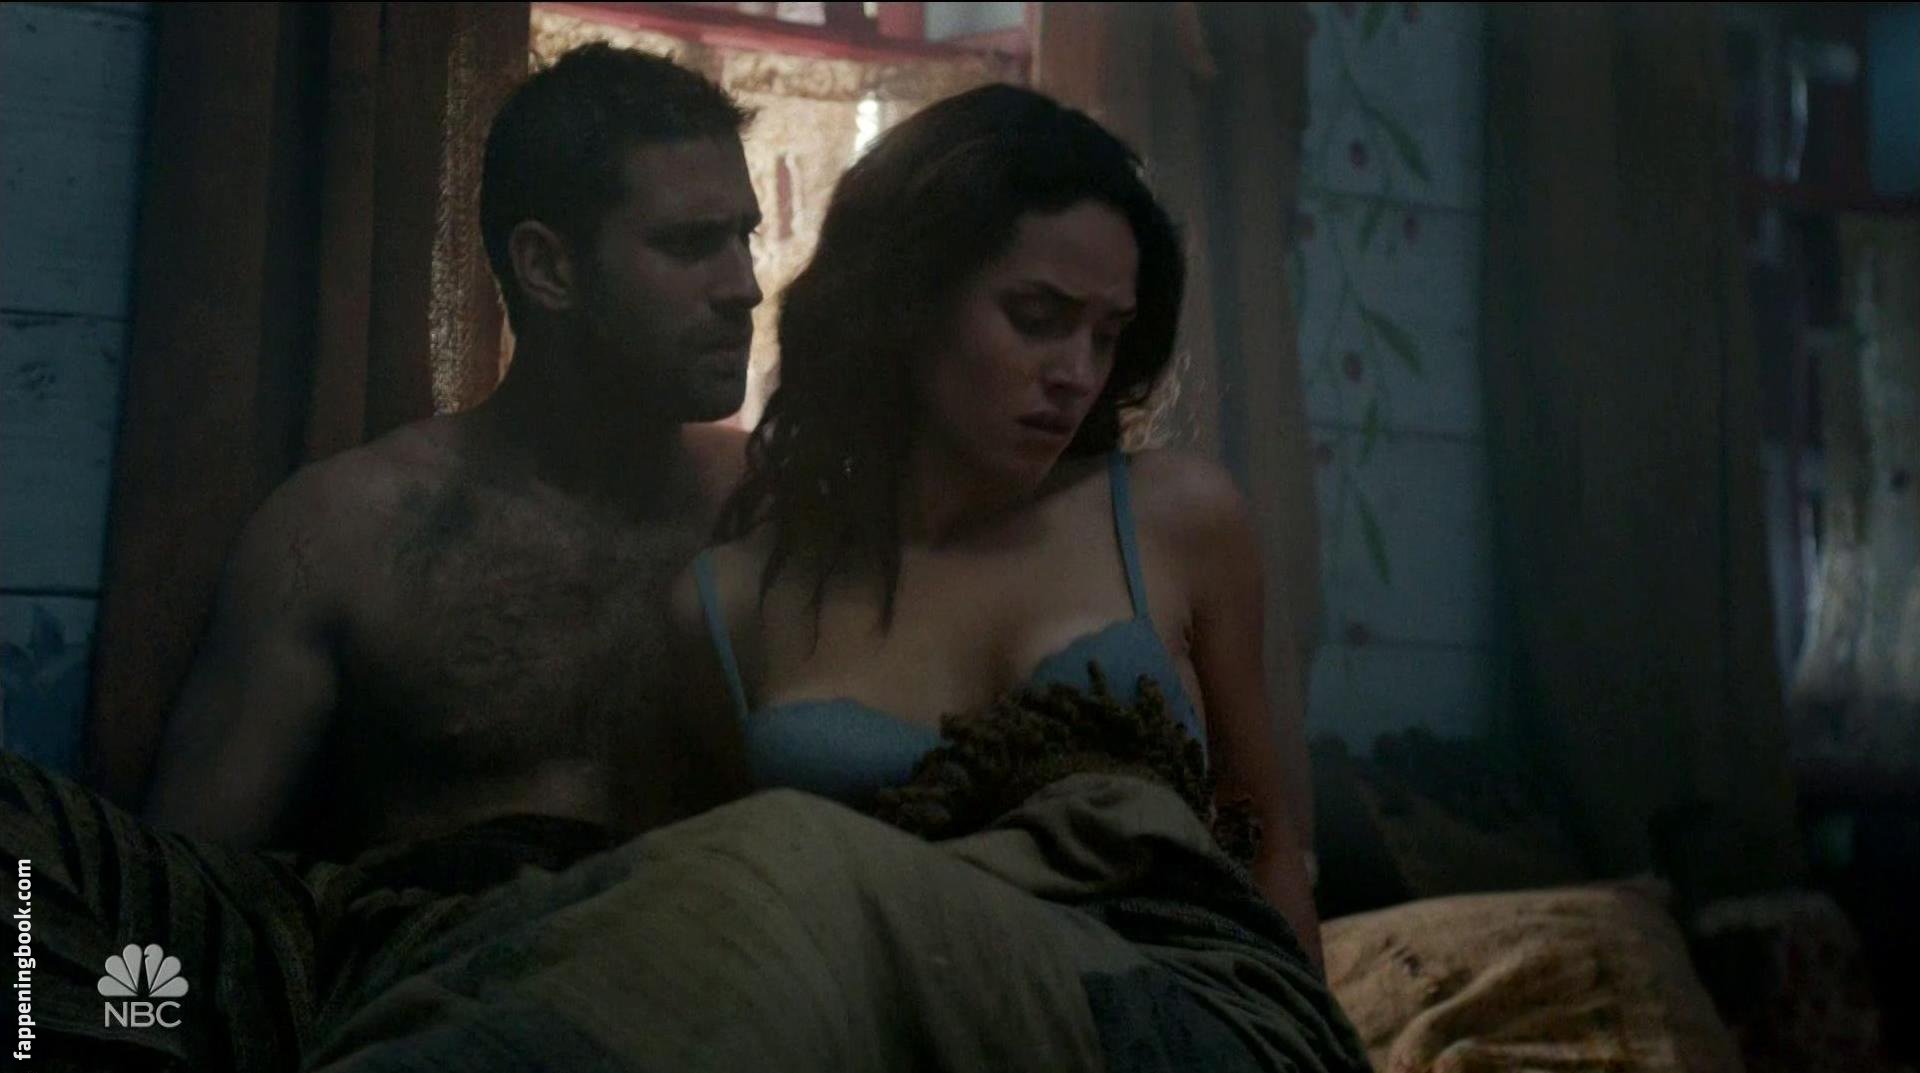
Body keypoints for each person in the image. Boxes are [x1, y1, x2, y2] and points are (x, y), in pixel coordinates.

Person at [671, 83, 1325, 965]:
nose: (1077, 372)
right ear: (905, 302)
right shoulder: (728, 603)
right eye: (1037, 319)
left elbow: (1265, 839)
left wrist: (1300, 1020)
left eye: (1107, 335)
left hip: (1161, 1004)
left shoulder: (1176, 517)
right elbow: (704, 917)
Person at [143, 43, 764, 864]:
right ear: (547, 267)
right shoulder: (345, 535)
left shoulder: (766, 507)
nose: (745, 286)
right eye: (691, 244)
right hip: (443, 937)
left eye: (744, 237)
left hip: (716, 936)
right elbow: (174, 881)